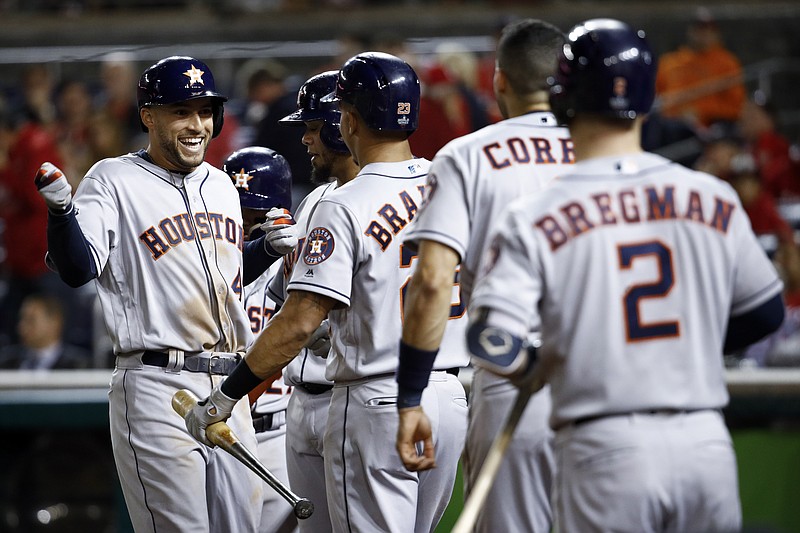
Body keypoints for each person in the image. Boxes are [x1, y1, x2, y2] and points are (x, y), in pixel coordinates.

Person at [466, 19, 785, 532]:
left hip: (606, 446)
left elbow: (487, 337)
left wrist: (536, 366)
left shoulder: (537, 212)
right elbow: (765, 310)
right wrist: (690, 344)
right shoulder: (710, 195)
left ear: (563, 96)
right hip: (705, 443)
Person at [184, 52, 468, 533]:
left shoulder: (345, 203)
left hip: (375, 399)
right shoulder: (451, 185)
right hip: (448, 394)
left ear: (350, 121)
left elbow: (297, 321)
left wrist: (224, 397)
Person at [32, 55, 299, 533]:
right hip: (157, 383)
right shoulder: (112, 179)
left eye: (204, 111)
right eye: (181, 111)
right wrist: (61, 214)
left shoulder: (220, 184)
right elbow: (78, 269)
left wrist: (263, 248)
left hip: (226, 388)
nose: (197, 124)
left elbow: (224, 279)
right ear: (148, 116)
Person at [394, 18, 571, 533]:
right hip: (608, 382)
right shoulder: (607, 154)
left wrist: (410, 397)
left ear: (499, 82)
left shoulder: (468, 155)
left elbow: (431, 284)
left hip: (511, 378)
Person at [271, 69, 360, 533]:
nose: (305, 139)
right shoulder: (316, 199)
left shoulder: (375, 200)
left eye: (311, 127)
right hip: (300, 396)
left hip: (352, 396)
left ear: (340, 125)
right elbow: (280, 295)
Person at [223, 146, 297, 533]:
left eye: (256, 216)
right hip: (222, 428)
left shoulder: (296, 260)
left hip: (281, 433)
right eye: (238, 214)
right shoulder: (208, 259)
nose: (246, 225)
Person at [655, 7, 745, 130]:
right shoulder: (669, 62)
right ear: (690, 30)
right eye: (699, 28)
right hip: (671, 124)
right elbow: (655, 98)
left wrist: (702, 111)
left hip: (711, 127)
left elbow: (736, 107)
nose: (704, 33)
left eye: (709, 29)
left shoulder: (727, 62)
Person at [0, 292, 92, 370]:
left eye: (31, 320)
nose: (21, 326)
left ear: (55, 322)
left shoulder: (79, 366)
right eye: (21, 319)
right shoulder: (6, 363)